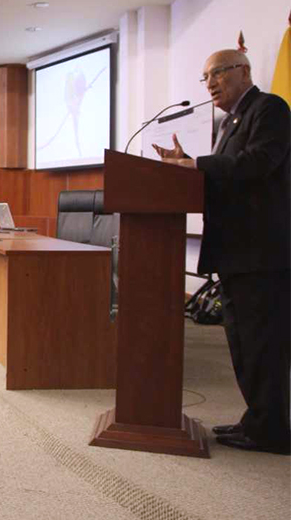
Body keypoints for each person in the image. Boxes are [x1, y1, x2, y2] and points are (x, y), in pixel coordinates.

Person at [153, 49, 290, 455]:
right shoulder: (230, 122)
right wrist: (185, 164)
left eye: (217, 74)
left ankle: (272, 430)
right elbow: (224, 174)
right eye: (205, 77)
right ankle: (259, 422)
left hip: (261, 252)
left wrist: (196, 165)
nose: (210, 83)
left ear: (243, 71)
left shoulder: (270, 108)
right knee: (243, 344)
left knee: (263, 345)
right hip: (236, 251)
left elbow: (259, 163)